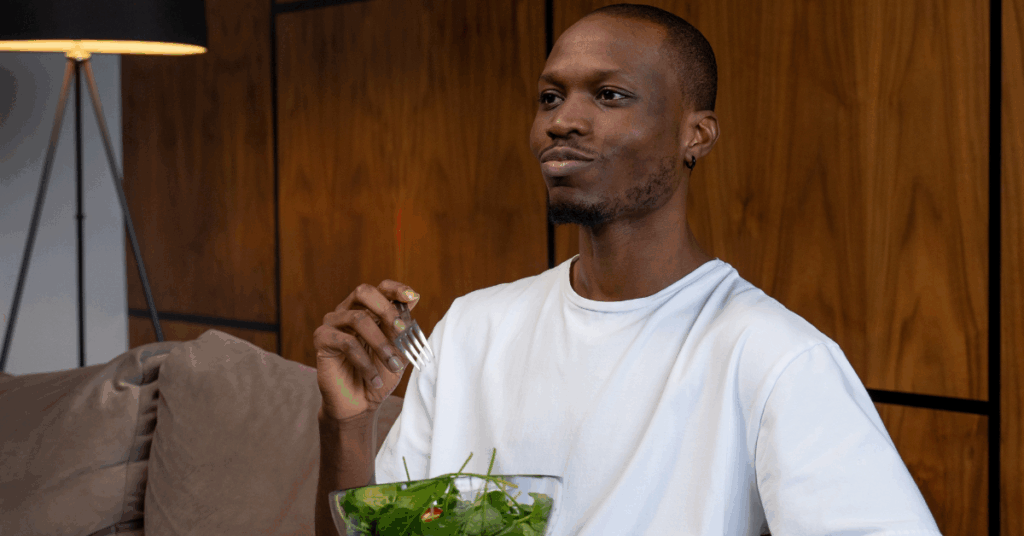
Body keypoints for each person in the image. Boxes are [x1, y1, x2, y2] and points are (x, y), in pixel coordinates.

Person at [313, 4, 944, 535]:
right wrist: (346, 426)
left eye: (610, 95)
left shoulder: (775, 357)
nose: (562, 121)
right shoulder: (474, 327)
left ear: (695, 134)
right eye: (549, 97)